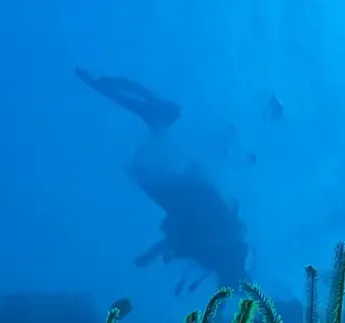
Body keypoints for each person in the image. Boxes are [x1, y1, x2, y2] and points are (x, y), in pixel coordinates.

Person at [76, 67, 249, 289]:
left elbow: (179, 239)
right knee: (144, 169)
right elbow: (179, 239)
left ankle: (159, 120)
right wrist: (149, 256)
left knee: (148, 167)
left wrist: (149, 256)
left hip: (195, 190)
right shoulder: (216, 252)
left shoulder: (230, 244)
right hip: (183, 197)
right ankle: (159, 120)